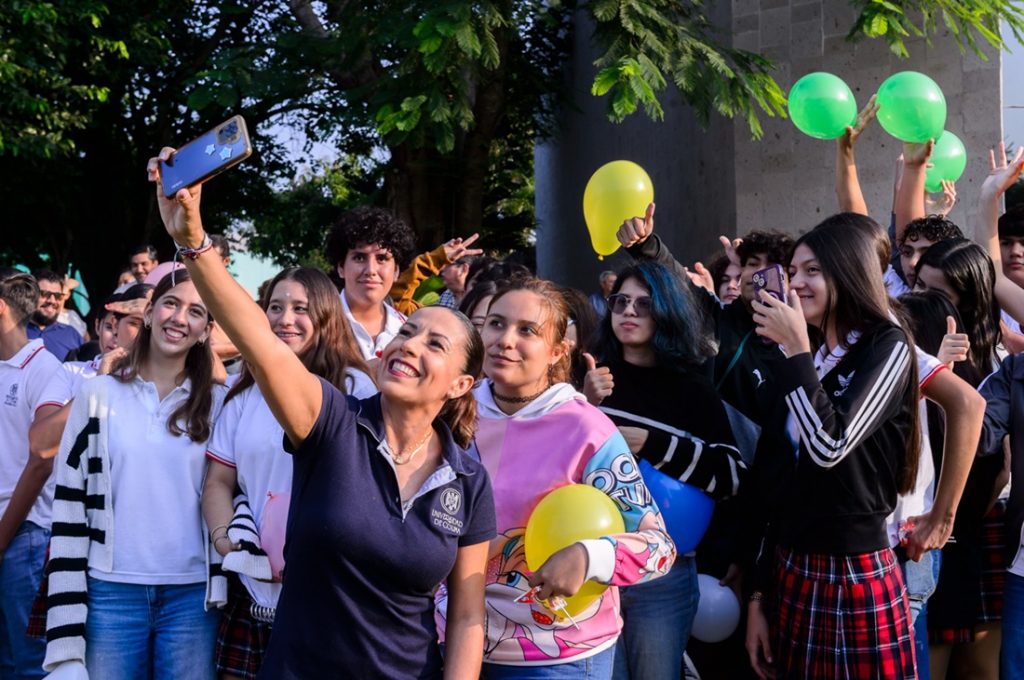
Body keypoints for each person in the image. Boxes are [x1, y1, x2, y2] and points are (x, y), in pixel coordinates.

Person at [146, 148, 496, 679]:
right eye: (407, 331)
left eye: (434, 343)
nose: (409, 344)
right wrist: (194, 240)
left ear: (461, 384)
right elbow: (260, 342)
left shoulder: (467, 478)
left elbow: (468, 617)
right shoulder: (332, 424)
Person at [445, 277, 675, 679]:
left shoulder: (588, 431)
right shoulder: (452, 413)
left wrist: (589, 556)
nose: (505, 340)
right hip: (451, 643)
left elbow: (659, 548)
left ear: (557, 351)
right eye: (496, 324)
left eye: (527, 330)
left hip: (558, 658)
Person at [746, 221, 920, 679]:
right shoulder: (809, 355)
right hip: (792, 565)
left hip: (854, 569)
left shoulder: (887, 344)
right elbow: (776, 483)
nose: (796, 283)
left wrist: (795, 350)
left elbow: (828, 446)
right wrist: (759, 594)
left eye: (813, 270)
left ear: (848, 272)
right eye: (792, 271)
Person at [41, 269, 224, 679]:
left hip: (194, 596)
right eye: (171, 303)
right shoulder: (96, 394)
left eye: (196, 311)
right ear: (150, 312)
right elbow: (69, 510)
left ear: (206, 331)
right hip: (110, 593)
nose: (179, 318)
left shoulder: (220, 403)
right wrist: (65, 644)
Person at [202, 267, 376, 680]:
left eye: (300, 308)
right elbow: (218, 482)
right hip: (251, 590)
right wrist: (227, 543)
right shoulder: (243, 392)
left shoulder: (355, 388)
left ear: (326, 316)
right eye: (275, 307)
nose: (285, 319)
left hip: (329, 595)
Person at [582, 262, 746, 679]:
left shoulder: (692, 390)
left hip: (661, 575)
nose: (629, 311)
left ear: (667, 311)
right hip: (591, 567)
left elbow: (731, 475)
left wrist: (651, 444)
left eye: (644, 303)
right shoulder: (588, 377)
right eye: (621, 301)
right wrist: (583, 405)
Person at [0, 270, 67, 679]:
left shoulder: (44, 368)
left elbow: (41, 460)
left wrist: (2, 537)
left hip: (23, 535)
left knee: (28, 665)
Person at [325, 207, 416, 360]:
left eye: (382, 259)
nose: (371, 270)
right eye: (359, 258)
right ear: (341, 267)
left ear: (396, 271)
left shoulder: (410, 333)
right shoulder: (316, 325)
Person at [27, 270, 83, 361]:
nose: (52, 301)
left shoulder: (72, 335)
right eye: (45, 294)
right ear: (29, 295)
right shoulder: (13, 331)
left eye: (57, 296)